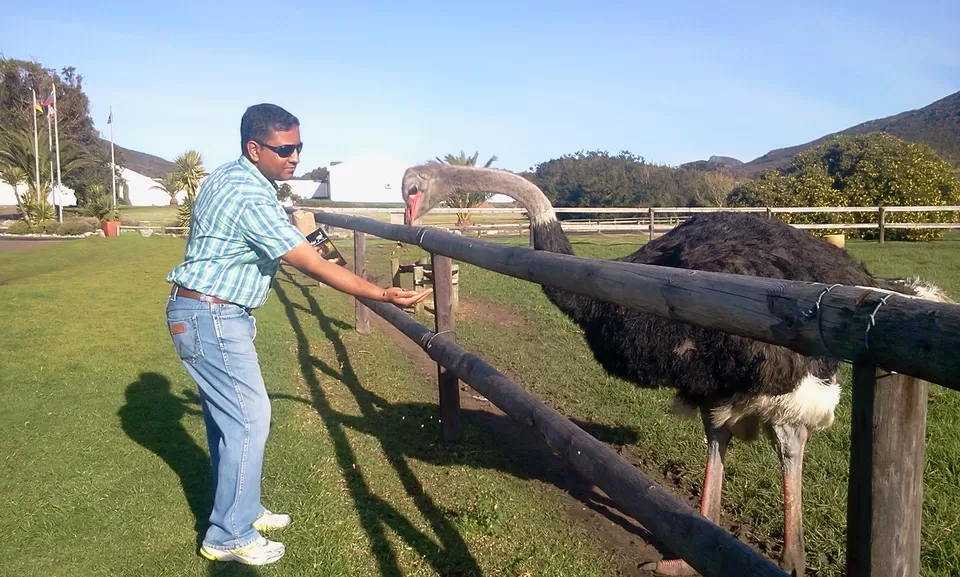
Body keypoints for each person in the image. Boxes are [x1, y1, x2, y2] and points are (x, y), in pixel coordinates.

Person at [165, 103, 430, 566]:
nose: (295, 157)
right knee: (250, 419)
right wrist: (380, 294)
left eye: (299, 147)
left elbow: (305, 242)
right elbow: (308, 262)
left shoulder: (239, 180)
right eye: (285, 148)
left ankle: (241, 509)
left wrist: (312, 236)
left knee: (228, 423)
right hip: (211, 315)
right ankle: (228, 535)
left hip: (207, 313)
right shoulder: (248, 193)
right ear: (254, 148)